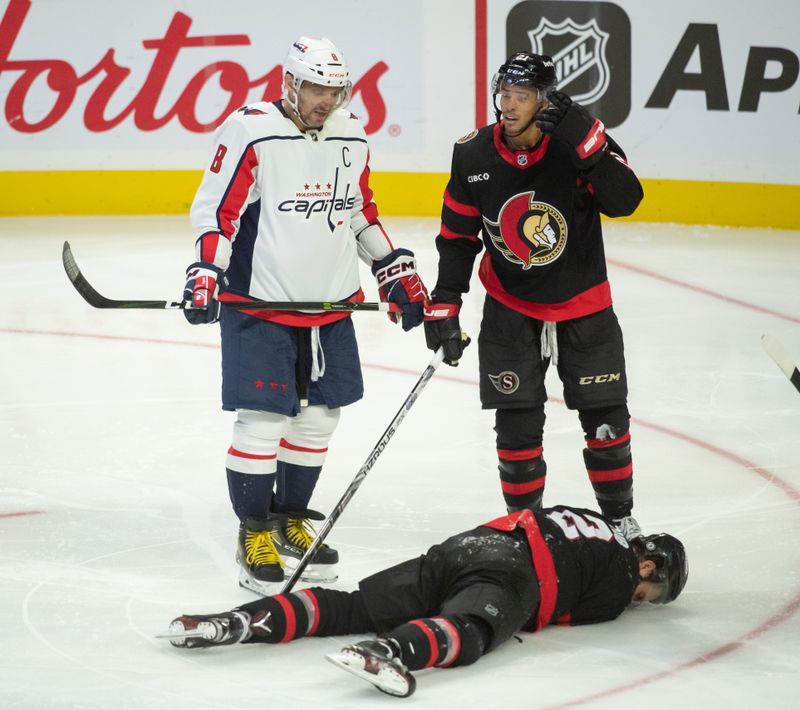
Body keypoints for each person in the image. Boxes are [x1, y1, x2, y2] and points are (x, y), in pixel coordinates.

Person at [182, 36, 427, 594]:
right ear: (290, 82)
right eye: (317, 87)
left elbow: (360, 209)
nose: (327, 99)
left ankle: (291, 519)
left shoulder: (351, 131)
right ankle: (254, 532)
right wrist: (205, 271)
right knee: (263, 420)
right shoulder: (252, 130)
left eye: (335, 89)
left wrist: (391, 265)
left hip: (330, 304)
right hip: (263, 303)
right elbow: (218, 212)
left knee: (318, 420)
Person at [422, 52, 645, 538]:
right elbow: (458, 235)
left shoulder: (577, 140)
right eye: (504, 94)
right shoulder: (474, 153)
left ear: (544, 100)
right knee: (517, 424)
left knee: (605, 418)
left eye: (521, 96)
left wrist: (587, 140)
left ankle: (620, 522)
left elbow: (626, 200)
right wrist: (446, 298)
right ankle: (527, 529)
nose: (508, 105)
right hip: (510, 306)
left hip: (583, 303)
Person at [163, 504, 688, 698]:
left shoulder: (588, 521)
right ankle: (389, 653)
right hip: (516, 570)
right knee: (472, 630)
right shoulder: (621, 576)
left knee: (349, 606)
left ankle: (236, 622)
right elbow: (565, 615)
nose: (644, 598)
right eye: (654, 590)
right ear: (649, 564)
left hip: (466, 547)